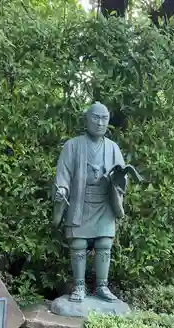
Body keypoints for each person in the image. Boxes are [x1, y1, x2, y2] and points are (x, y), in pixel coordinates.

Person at [53, 102, 126, 303]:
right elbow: (63, 174)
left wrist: (118, 181)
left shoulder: (113, 148)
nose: (100, 122)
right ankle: (78, 286)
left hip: (104, 203)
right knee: (78, 243)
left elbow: (122, 177)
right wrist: (62, 190)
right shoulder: (73, 145)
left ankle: (102, 286)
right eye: (96, 117)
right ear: (87, 119)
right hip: (80, 203)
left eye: (104, 119)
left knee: (104, 243)